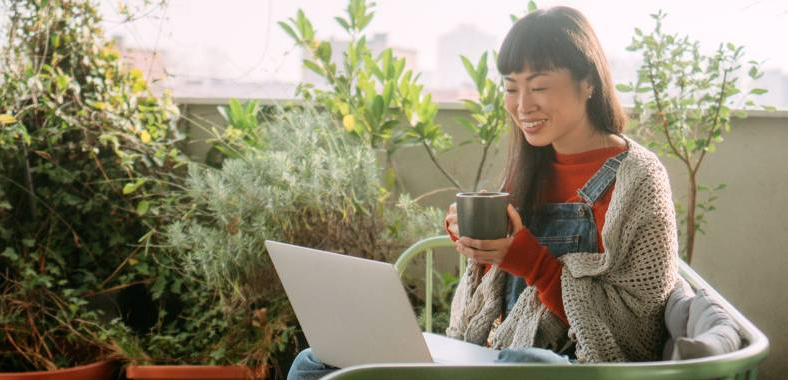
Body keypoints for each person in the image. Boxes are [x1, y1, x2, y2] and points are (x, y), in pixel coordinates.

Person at [287, 6, 679, 379]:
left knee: (523, 363)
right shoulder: (531, 168)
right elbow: (503, 298)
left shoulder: (638, 178)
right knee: (313, 362)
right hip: (502, 356)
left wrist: (533, 264)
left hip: (576, 367)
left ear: (588, 82)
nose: (523, 105)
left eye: (539, 86)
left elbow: (636, 332)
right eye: (511, 88)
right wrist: (481, 247)